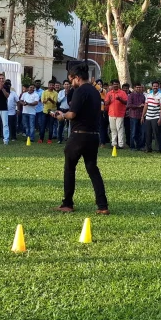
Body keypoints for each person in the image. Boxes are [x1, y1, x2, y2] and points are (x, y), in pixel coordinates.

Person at [52, 63, 109, 214]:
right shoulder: (95, 92)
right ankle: (102, 206)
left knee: (69, 168)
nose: (71, 83)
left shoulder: (79, 91)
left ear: (77, 78)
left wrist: (61, 115)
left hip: (78, 135)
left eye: (71, 79)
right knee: (92, 169)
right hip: (93, 136)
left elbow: (72, 114)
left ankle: (67, 203)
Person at [104, 83, 128, 149]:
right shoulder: (109, 93)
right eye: (114, 84)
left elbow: (126, 102)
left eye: (117, 84)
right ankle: (114, 143)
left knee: (120, 129)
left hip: (120, 114)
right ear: (112, 85)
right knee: (113, 129)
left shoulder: (122, 93)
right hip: (111, 114)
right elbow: (106, 103)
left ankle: (121, 145)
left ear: (118, 85)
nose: (115, 85)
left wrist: (120, 99)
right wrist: (109, 100)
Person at [143, 81, 161, 153]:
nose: (155, 87)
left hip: (156, 117)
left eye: (156, 86)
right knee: (148, 133)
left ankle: (158, 149)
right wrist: (143, 116)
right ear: (152, 87)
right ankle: (148, 148)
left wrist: (160, 118)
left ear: (158, 87)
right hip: (148, 117)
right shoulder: (148, 95)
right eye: (154, 86)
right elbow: (146, 106)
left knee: (156, 134)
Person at [127, 84, 146, 151]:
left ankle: (140, 146)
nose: (138, 88)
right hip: (133, 116)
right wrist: (138, 106)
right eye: (137, 87)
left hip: (141, 116)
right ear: (134, 88)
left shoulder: (142, 96)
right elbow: (129, 105)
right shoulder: (131, 95)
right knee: (133, 132)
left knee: (142, 132)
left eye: (139, 87)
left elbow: (145, 105)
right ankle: (132, 147)